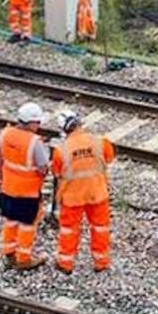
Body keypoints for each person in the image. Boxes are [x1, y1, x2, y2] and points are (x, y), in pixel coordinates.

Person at [52, 109, 116, 273]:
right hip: (97, 193)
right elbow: (108, 159)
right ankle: (101, 263)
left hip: (72, 197)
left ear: (64, 130)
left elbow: (57, 173)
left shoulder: (61, 150)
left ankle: (65, 264)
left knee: (69, 230)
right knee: (100, 228)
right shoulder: (100, 142)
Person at [0, 103, 51, 270]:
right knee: (27, 226)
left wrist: (1, 180)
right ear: (31, 122)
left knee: (10, 222)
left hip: (7, 189)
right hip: (28, 194)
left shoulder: (5, 134)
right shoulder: (35, 142)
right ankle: (24, 259)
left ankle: (9, 254)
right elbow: (43, 169)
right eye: (38, 123)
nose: (39, 126)